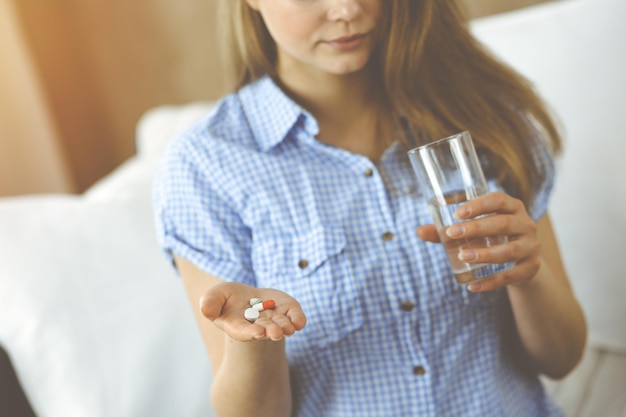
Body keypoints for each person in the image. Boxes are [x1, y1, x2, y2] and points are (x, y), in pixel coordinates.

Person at [152, 1, 587, 416]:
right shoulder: (206, 165)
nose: (347, 9)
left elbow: (562, 359)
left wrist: (528, 274)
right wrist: (255, 337)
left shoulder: (485, 115)